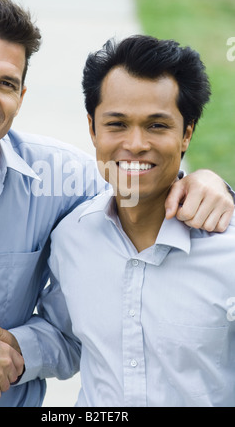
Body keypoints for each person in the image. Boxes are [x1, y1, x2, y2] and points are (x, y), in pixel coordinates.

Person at [0, 0, 233, 407]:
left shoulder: (63, 183)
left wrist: (213, 183)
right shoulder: (75, 216)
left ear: (22, 95)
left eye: (6, 82)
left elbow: (137, 186)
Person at [48, 35, 235, 407]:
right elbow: (66, 336)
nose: (134, 144)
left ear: (187, 133)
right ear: (92, 129)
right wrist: (3, 353)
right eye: (116, 124)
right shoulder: (71, 237)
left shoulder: (227, 252)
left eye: (156, 126)